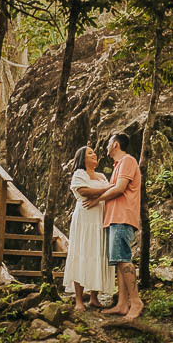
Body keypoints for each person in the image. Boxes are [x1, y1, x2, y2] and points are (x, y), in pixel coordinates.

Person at [84, 132, 144, 319]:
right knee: (119, 260)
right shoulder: (119, 165)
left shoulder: (127, 161)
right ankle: (122, 304)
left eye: (109, 143)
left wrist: (97, 200)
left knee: (123, 259)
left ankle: (136, 302)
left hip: (122, 217)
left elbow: (119, 189)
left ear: (115, 144)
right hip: (115, 218)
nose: (106, 146)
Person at [62, 146, 116, 311]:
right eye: (90, 153)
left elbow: (112, 192)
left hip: (101, 217)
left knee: (97, 252)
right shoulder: (79, 174)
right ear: (82, 158)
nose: (94, 154)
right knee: (82, 252)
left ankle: (94, 297)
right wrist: (107, 189)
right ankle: (79, 299)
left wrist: (106, 190)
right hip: (85, 218)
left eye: (94, 152)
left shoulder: (101, 176)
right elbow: (85, 191)